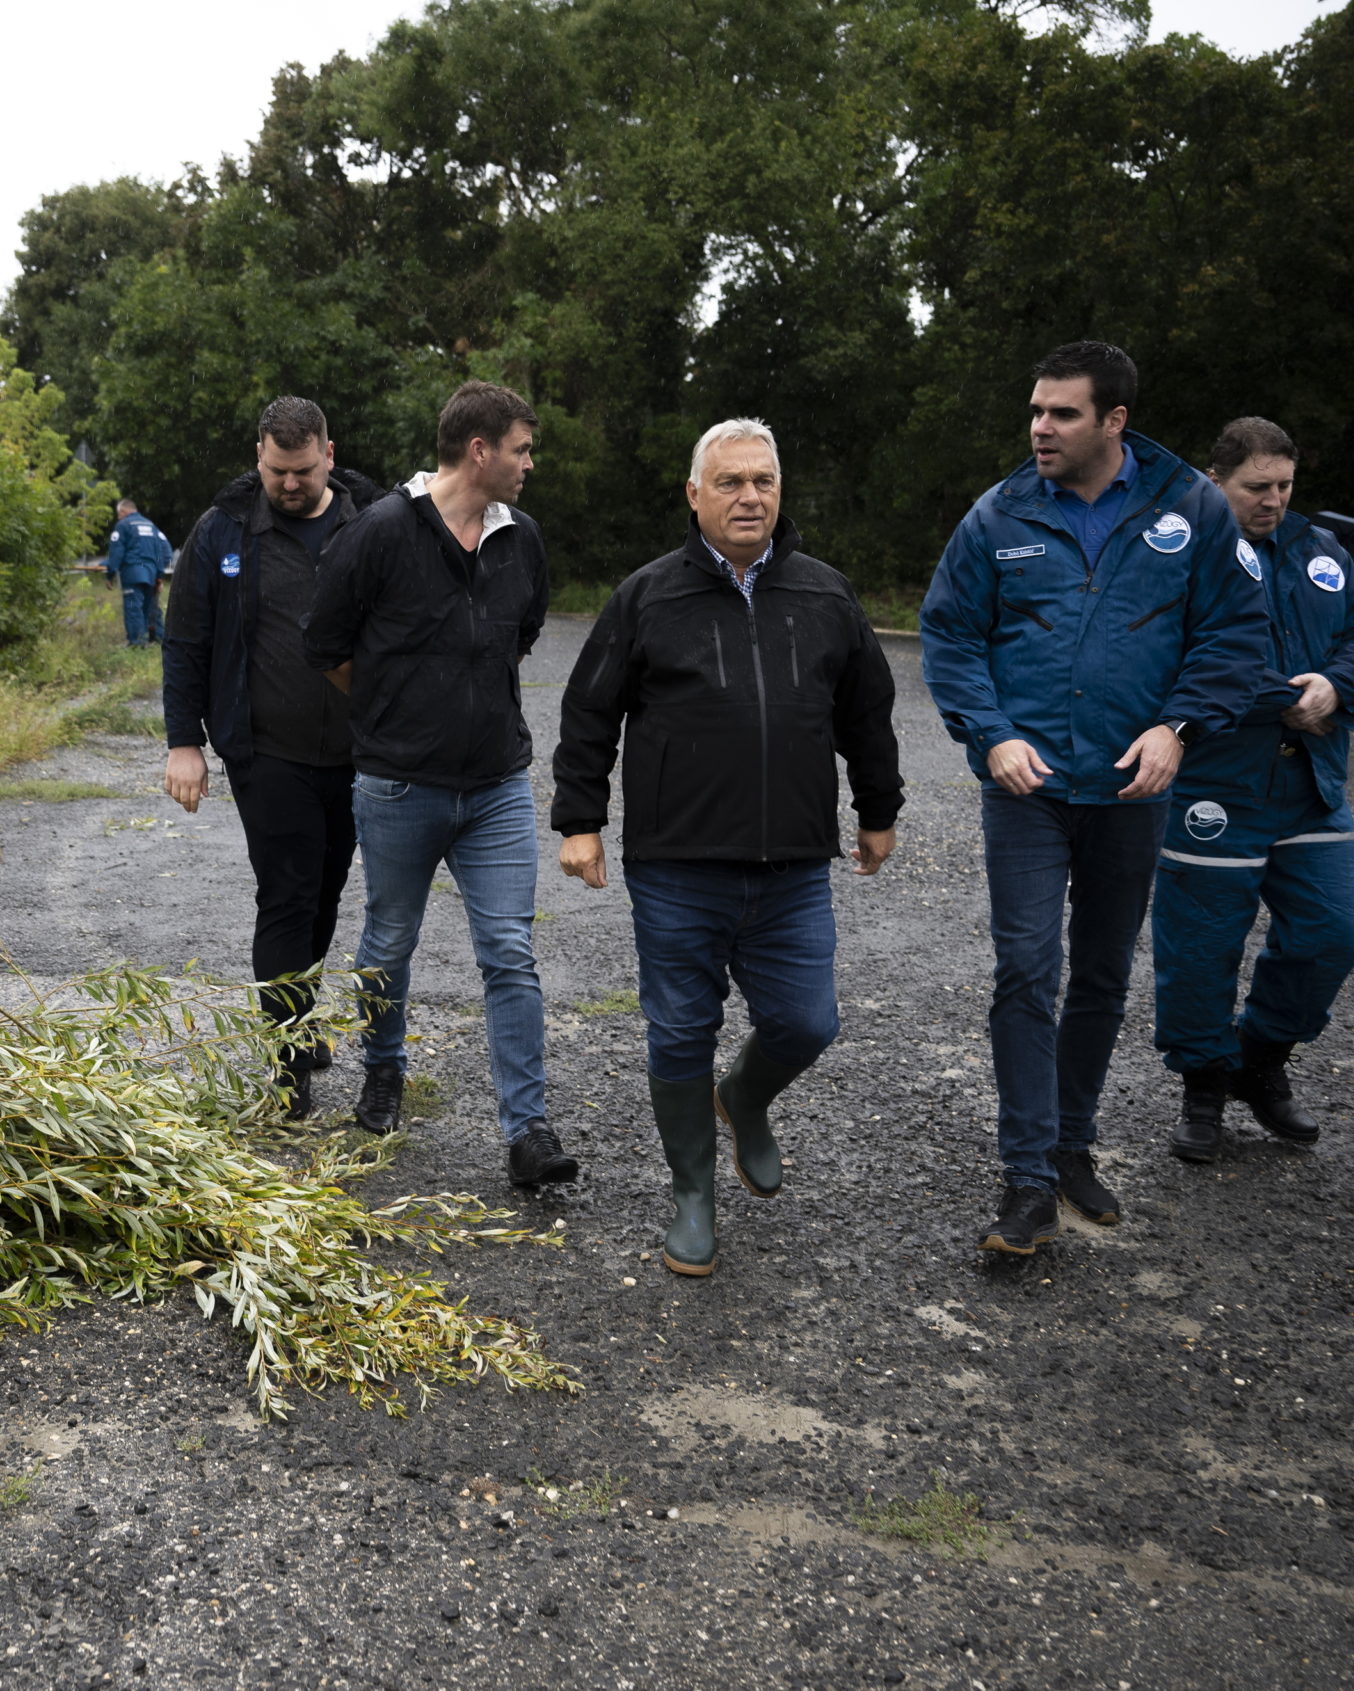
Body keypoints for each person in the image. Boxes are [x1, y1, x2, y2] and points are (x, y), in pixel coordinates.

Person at [919, 341, 1272, 1256]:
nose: (1041, 427)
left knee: (1104, 975)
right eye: (1036, 410)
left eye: (1063, 413)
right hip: (1027, 788)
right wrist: (991, 734)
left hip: (1130, 788)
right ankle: (1028, 1177)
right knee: (1026, 968)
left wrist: (1177, 726)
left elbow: (1234, 630)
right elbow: (949, 634)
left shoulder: (1190, 506)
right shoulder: (999, 514)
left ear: (1114, 420)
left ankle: (1071, 1143)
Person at [552, 418, 904, 1276]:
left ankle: (743, 1096)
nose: (750, 497)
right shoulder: (647, 596)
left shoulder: (825, 594)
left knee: (807, 1021)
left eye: (763, 481)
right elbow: (590, 709)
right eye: (731, 482)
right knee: (680, 1031)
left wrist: (878, 807)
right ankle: (693, 1194)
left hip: (792, 866)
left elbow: (866, 711)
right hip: (677, 865)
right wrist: (580, 819)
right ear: (694, 493)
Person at [301, 380, 575, 1187]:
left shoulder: (521, 537)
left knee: (511, 951)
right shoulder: (380, 531)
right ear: (480, 451)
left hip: (496, 786)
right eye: (521, 449)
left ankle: (527, 1130)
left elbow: (521, 633)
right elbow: (325, 643)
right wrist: (394, 710)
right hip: (398, 786)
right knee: (389, 941)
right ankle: (383, 1068)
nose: (529, 464)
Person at [1152, 417, 1354, 1161]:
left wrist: (1336, 686)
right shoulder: (1174, 551)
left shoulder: (1323, 550)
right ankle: (1202, 1086)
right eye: (1257, 487)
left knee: (1331, 933)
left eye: (1285, 485)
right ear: (1215, 480)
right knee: (1200, 948)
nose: (1274, 500)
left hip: (1310, 779)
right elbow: (1166, 654)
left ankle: (1258, 1061)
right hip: (1214, 783)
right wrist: (1282, 695)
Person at [161, 397, 382, 1116]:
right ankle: (288, 1064)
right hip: (267, 750)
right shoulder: (223, 528)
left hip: (359, 753)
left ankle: (300, 1016)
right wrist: (184, 742)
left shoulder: (371, 521)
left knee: (324, 890)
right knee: (286, 894)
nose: (290, 483)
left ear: (329, 453)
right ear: (258, 455)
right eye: (277, 470)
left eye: (304, 470)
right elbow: (186, 639)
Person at [104, 498, 172, 647]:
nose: (118, 517)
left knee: (133, 608)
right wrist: (159, 575)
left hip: (132, 573)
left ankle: (137, 643)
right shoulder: (151, 525)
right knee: (149, 608)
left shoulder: (123, 525)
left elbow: (116, 552)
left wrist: (110, 574)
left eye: (118, 514)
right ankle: (155, 638)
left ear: (123, 511)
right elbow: (166, 551)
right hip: (151, 573)